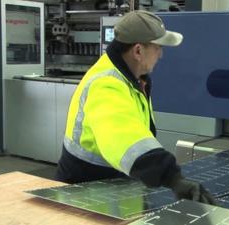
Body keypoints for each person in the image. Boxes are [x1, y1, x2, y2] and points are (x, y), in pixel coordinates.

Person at [55, 10, 215, 205]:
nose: (161, 54)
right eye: (157, 48)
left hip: (113, 187)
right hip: (85, 195)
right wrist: (173, 179)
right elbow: (126, 138)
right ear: (138, 51)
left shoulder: (135, 79)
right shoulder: (106, 85)